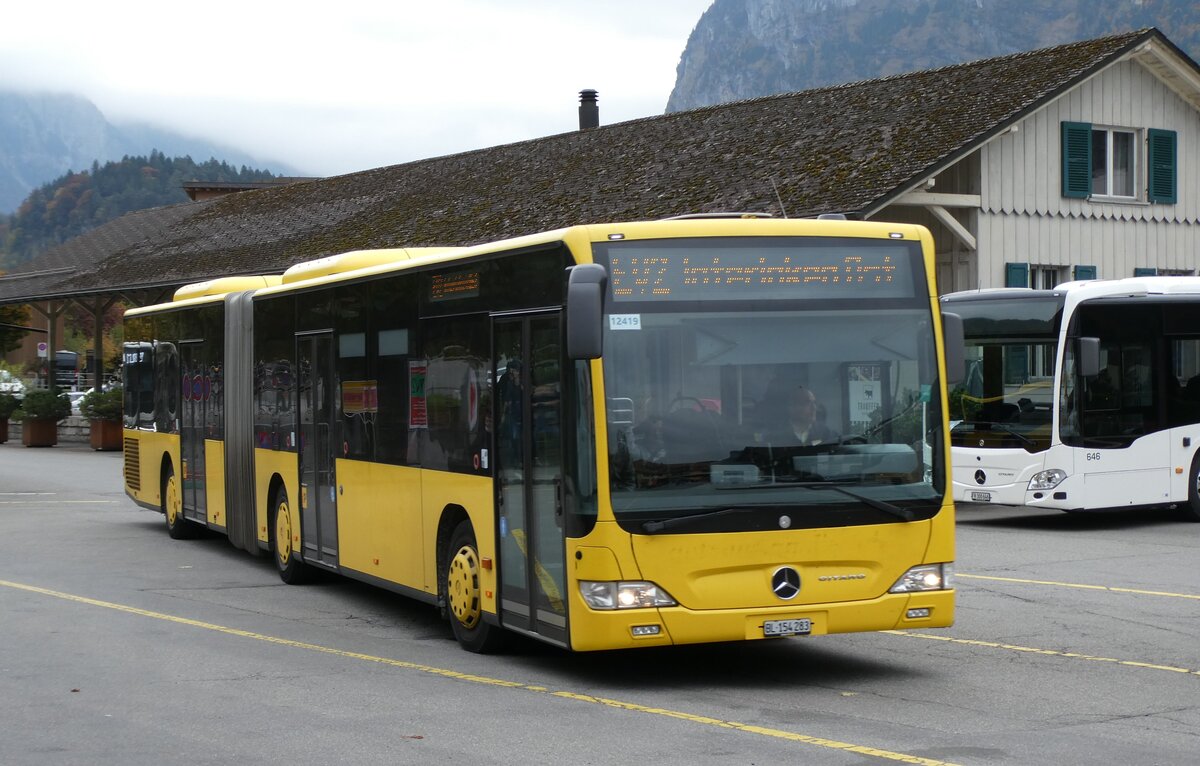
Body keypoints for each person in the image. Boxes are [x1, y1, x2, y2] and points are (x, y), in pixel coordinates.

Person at [768, 386, 839, 446]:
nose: (814, 408)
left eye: (814, 403)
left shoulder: (825, 433)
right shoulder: (776, 435)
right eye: (807, 403)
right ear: (792, 407)